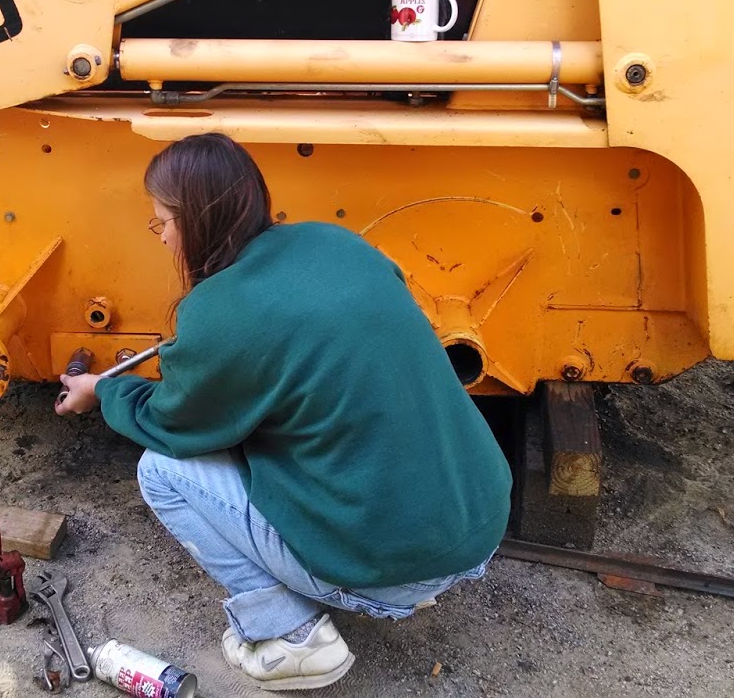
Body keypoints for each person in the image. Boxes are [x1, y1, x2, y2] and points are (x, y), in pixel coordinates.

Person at [56, 133, 512, 692]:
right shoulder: (335, 244)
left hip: (395, 566)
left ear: (197, 221)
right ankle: (410, 570)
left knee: (162, 472)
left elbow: (177, 424)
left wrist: (103, 394)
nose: (163, 238)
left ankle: (293, 637)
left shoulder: (222, 310)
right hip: (478, 523)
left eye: (163, 223)